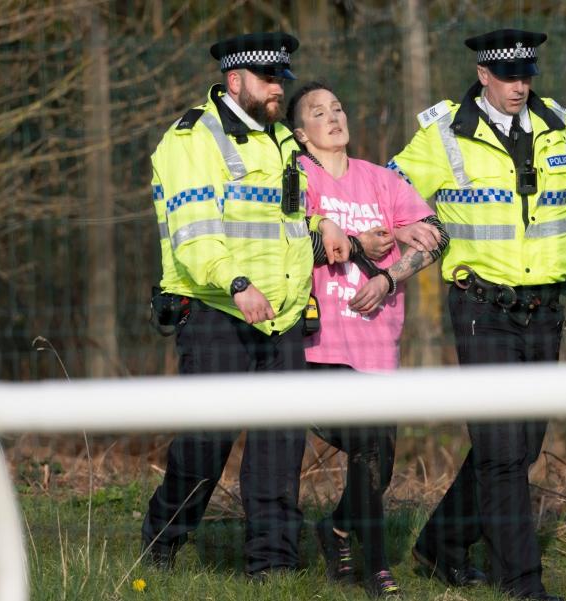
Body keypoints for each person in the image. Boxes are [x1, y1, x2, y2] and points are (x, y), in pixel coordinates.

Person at [387, 29, 566, 601]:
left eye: (528, 75)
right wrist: (397, 228)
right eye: (509, 75)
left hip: (544, 308)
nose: (521, 86)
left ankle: (440, 544)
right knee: (498, 446)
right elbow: (389, 187)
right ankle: (521, 584)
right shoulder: (444, 135)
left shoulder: (559, 129)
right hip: (481, 306)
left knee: (523, 445)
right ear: (483, 76)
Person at [142, 32, 349, 578]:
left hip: (279, 319)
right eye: (268, 79)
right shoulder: (191, 140)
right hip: (218, 311)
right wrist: (236, 284)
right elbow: (193, 234)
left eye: (282, 77)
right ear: (235, 81)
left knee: (279, 447)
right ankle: (163, 539)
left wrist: (319, 222)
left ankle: (273, 566)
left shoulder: (281, 140)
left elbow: (281, 217)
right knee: (205, 445)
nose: (279, 87)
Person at [285, 82, 449, 598]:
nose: (333, 117)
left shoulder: (381, 180)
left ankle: (335, 529)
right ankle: (379, 569)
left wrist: (390, 276)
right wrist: (355, 242)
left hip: (377, 345)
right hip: (319, 344)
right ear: (299, 132)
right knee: (366, 444)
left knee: (379, 458)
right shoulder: (295, 179)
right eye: (318, 112)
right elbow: (287, 242)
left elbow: (435, 235)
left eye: (338, 107)